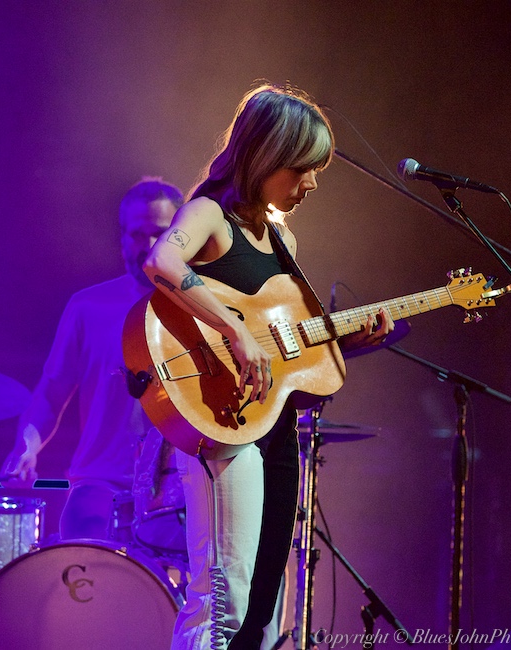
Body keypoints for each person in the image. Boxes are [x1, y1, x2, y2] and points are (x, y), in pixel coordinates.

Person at [142, 84, 393, 650]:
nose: (312, 184)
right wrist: (232, 329)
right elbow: (161, 260)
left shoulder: (283, 240)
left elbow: (282, 354)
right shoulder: (209, 213)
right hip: (223, 421)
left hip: (275, 428)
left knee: (262, 604)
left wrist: (352, 340)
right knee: (222, 596)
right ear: (267, 154)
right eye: (304, 168)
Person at [1, 178, 183, 541]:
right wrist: (27, 448)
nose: (145, 246)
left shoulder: (201, 309)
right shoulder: (87, 307)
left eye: (158, 234)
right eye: (136, 234)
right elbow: (51, 395)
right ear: (122, 237)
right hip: (99, 485)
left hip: (178, 489)